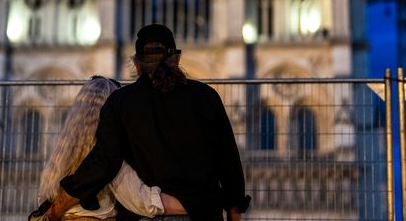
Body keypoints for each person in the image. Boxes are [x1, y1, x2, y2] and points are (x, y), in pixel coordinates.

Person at [50, 24, 250, 221]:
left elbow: (103, 163)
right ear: (177, 60)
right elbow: (230, 165)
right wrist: (234, 215)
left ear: (137, 64)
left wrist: (56, 208)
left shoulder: (120, 103)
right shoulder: (206, 97)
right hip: (203, 214)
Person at [30, 75, 186, 221]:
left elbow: (43, 198)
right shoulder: (107, 154)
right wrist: (194, 205)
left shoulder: (60, 155)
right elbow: (143, 202)